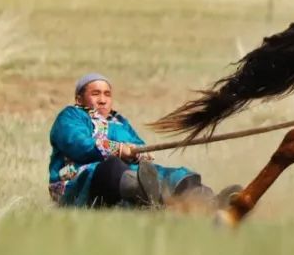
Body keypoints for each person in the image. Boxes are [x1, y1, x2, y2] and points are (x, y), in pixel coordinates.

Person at [47, 73, 237, 209]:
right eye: (95, 94)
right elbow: (77, 144)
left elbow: (138, 146)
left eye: (107, 94)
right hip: (79, 182)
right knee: (112, 167)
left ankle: (211, 202)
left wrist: (139, 153)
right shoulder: (71, 116)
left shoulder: (119, 122)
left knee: (168, 174)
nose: (103, 100)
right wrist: (119, 150)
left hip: (127, 174)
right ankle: (149, 199)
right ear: (79, 99)